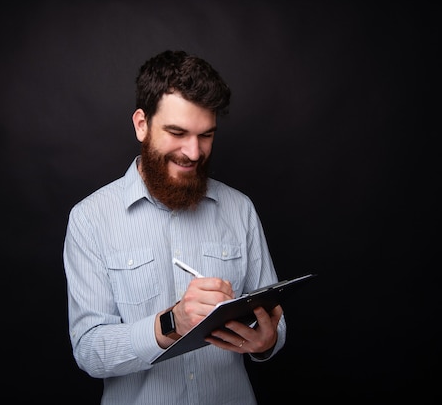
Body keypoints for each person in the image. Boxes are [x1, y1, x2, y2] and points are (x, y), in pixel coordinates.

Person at [63, 49, 286, 404]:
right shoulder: (90, 219)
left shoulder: (240, 209)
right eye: (177, 132)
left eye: (206, 135)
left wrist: (267, 342)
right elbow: (89, 350)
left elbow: (274, 318)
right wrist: (171, 324)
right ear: (141, 125)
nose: (194, 152)